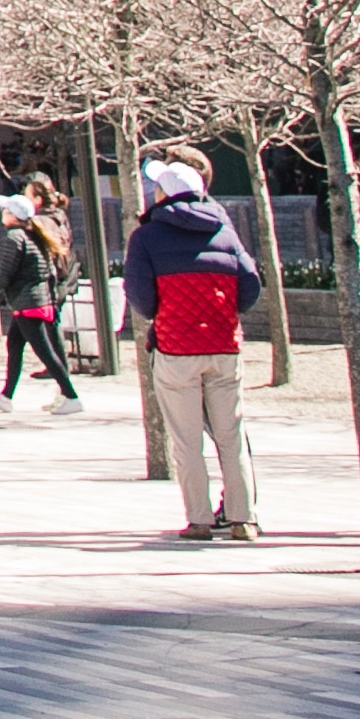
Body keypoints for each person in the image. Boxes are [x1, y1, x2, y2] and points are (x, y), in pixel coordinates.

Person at [122, 157, 264, 542]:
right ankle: (243, 518)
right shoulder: (224, 229)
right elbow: (250, 285)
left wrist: (162, 312)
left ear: (164, 193)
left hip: (176, 346)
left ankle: (199, 519)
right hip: (223, 344)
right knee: (230, 434)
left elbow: (140, 297)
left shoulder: (147, 236)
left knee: (186, 440)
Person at [0, 187, 85, 415]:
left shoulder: (14, 238)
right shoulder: (33, 236)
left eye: (5, 210)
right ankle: (6, 395)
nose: (2, 214)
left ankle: (71, 396)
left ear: (13, 216)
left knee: (45, 353)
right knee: (14, 345)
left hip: (29, 304)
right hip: (36, 301)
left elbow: (4, 274)